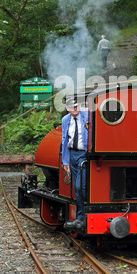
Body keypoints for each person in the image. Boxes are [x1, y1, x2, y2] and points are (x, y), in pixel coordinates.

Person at [61, 97, 88, 230]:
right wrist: (65, 161)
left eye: (77, 105)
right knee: (76, 188)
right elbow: (64, 141)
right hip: (72, 155)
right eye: (72, 106)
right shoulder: (65, 120)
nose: (75, 108)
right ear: (67, 108)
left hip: (84, 154)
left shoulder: (87, 115)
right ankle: (80, 216)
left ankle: (81, 216)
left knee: (80, 187)